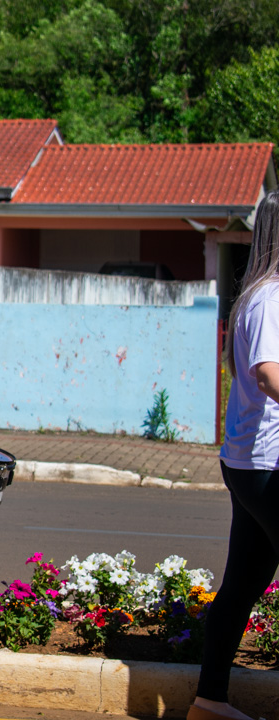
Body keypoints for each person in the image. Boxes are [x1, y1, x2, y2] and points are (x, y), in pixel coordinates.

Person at [190, 189, 279, 720]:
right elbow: (267, 371)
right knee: (243, 582)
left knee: (244, 583)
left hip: (249, 463)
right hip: (267, 464)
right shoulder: (271, 297)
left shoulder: (256, 295)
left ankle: (210, 699)